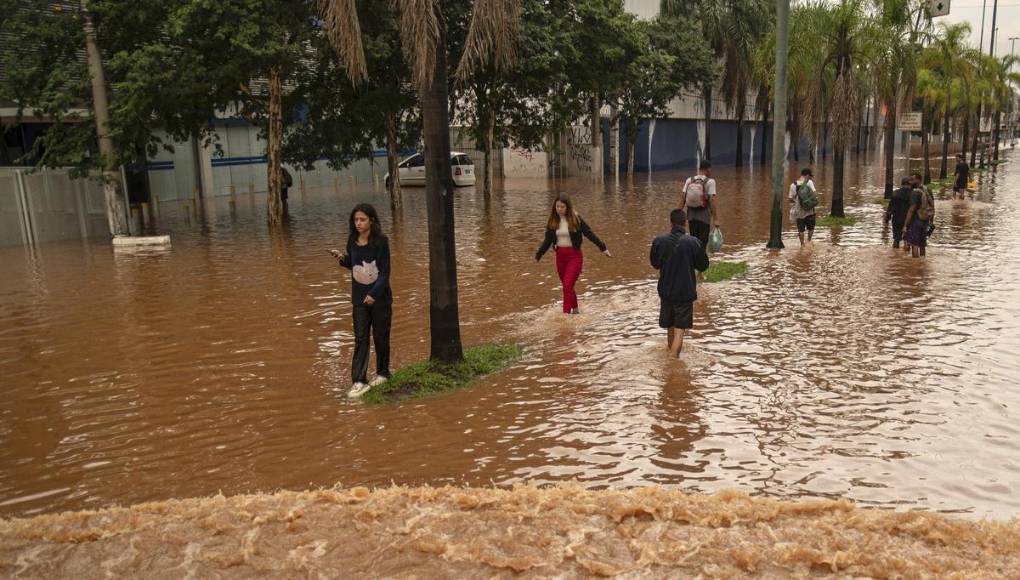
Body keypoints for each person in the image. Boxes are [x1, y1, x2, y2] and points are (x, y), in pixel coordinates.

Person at [330, 204, 392, 398]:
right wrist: (342, 258)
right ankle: (359, 380)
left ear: (371, 221)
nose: (358, 223)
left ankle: (383, 373)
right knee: (360, 338)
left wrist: (373, 294)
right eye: (356, 220)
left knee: (381, 337)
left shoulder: (381, 241)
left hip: (380, 299)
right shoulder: (352, 240)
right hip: (359, 300)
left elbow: (384, 272)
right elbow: (354, 265)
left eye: (362, 220)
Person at [535, 194, 611, 314]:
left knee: (567, 286)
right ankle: (575, 311)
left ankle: (565, 316)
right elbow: (548, 240)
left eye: (562, 207)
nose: (559, 209)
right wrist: (539, 254)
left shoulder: (576, 219)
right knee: (568, 287)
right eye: (557, 206)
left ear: (568, 207)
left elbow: (589, 234)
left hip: (574, 257)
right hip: (560, 257)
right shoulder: (553, 221)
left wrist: (603, 247)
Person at [650, 209, 710, 357]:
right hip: (684, 292)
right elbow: (703, 265)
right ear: (686, 224)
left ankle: (670, 358)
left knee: (670, 327)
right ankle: (673, 362)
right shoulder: (694, 242)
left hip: (666, 291)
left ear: (670, 223)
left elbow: (655, 264)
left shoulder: (659, 241)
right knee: (679, 331)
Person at [680, 161, 719, 270]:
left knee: (694, 242)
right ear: (708, 169)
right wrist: (715, 219)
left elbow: (683, 197)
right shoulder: (710, 182)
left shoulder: (689, 180)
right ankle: (700, 272)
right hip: (704, 218)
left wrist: (678, 212)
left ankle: (693, 268)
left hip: (691, 217)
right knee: (702, 244)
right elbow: (712, 200)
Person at [903, 178, 935, 258]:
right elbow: (932, 206)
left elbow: (911, 210)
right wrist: (931, 220)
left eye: (912, 180)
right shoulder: (927, 191)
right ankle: (922, 262)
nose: (910, 181)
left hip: (916, 220)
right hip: (926, 220)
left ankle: (915, 265)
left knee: (915, 244)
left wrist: (905, 225)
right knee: (922, 244)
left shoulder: (915, 193)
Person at [787, 168, 820, 245]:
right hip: (810, 210)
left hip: (799, 211)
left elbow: (790, 199)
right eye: (810, 176)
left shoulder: (793, 185)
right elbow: (814, 194)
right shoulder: (809, 182)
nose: (810, 178)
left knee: (801, 230)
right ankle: (808, 241)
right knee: (811, 228)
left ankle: (802, 244)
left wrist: (797, 201)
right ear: (807, 175)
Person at [885, 177, 913, 250]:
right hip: (908, 219)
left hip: (896, 219)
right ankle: (906, 259)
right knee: (907, 239)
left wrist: (887, 218)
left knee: (896, 239)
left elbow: (890, 207)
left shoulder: (895, 193)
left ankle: (895, 255)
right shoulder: (912, 193)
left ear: (902, 184)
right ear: (910, 184)